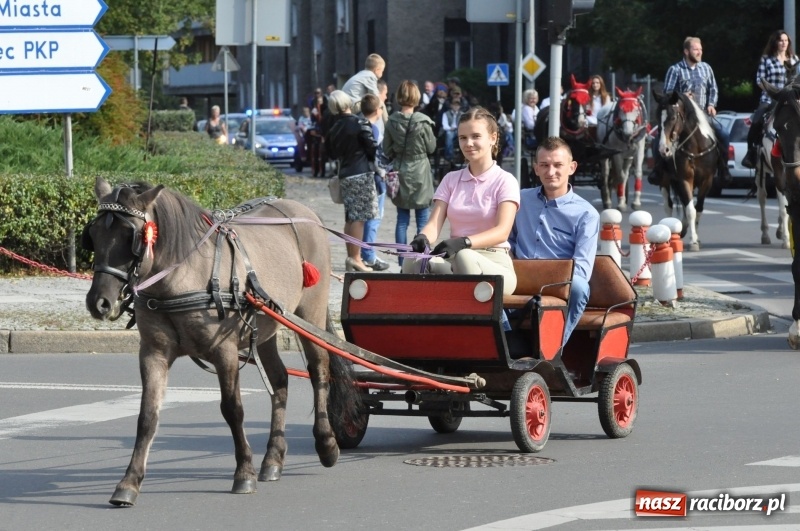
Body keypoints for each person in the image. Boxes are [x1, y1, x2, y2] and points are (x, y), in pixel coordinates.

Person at [405, 106, 520, 296]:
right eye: (463, 138)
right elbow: (434, 224)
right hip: (455, 261)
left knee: (466, 257)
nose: (469, 143)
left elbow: (502, 232)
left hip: (494, 262)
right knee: (412, 259)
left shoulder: (505, 180)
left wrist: (464, 242)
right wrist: (422, 238)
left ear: (493, 138)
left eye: (476, 136)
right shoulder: (451, 179)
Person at [509, 136, 599, 344]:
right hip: (519, 276)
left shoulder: (586, 214)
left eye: (558, 165)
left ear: (572, 167)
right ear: (536, 168)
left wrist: (550, 279)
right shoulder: (520, 199)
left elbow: (582, 269)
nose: (551, 172)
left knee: (578, 286)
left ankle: (553, 349)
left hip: (557, 282)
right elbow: (507, 240)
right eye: (544, 165)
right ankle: (504, 338)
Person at [648, 36, 732, 185]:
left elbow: (713, 88)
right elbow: (668, 93)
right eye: (695, 49)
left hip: (702, 115)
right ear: (686, 51)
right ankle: (658, 169)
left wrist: (711, 104)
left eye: (700, 49)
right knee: (659, 138)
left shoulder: (706, 68)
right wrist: (682, 96)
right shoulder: (675, 70)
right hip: (682, 116)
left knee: (723, 134)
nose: (699, 52)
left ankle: (723, 169)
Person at [383, 80, 437, 265]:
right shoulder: (424, 121)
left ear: (399, 97)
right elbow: (431, 147)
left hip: (400, 171)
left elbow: (386, 148)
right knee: (423, 218)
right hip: (421, 171)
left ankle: (401, 261)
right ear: (416, 97)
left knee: (402, 219)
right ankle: (421, 259)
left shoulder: (391, 121)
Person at [325, 90, 379, 272]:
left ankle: (351, 257)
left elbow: (330, 153)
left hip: (345, 175)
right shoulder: (359, 122)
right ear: (348, 102)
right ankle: (356, 258)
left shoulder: (333, 128)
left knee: (350, 218)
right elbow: (372, 147)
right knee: (359, 219)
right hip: (361, 173)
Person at [743, 30, 799, 168]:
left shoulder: (795, 60)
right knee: (756, 121)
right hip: (769, 98)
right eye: (781, 40)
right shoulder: (766, 60)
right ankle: (751, 152)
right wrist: (773, 92)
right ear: (775, 42)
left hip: (790, 99)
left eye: (786, 40)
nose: (784, 43)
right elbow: (759, 80)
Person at [358, 93, 390, 271]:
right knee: (374, 218)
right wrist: (383, 172)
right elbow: (376, 156)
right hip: (374, 178)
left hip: (361, 175)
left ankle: (362, 253)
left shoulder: (359, 125)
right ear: (378, 110)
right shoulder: (374, 130)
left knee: (363, 217)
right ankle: (369, 255)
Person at [440, 97, 463, 162]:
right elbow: (445, 125)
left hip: (459, 130)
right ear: (451, 105)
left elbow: (464, 125)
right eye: (454, 105)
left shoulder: (462, 114)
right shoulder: (446, 114)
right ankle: (449, 156)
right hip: (449, 130)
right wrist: (450, 128)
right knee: (449, 134)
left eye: (457, 105)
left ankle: (463, 157)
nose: (456, 106)